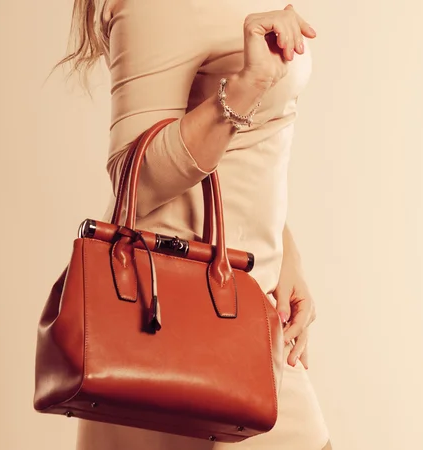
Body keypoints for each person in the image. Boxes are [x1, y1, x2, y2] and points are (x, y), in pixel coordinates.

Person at [57, 1, 331, 449]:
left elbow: (246, 151)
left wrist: (287, 256)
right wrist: (249, 86)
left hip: (248, 300)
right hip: (173, 322)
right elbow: (136, 175)